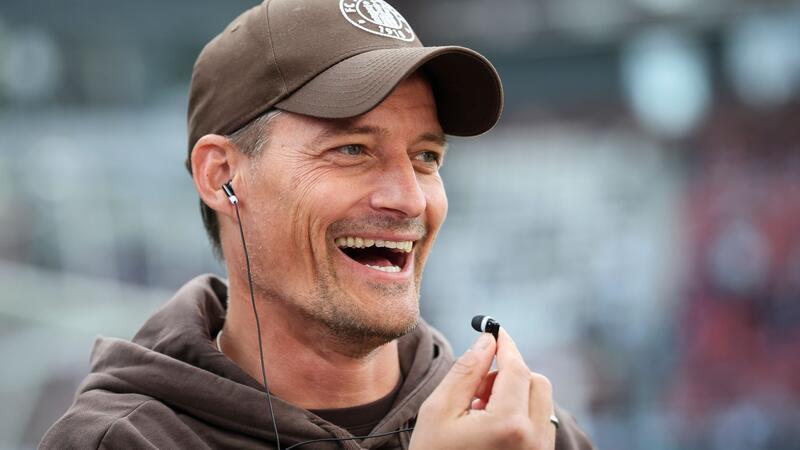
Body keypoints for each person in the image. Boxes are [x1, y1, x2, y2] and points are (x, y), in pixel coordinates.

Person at [41, 1, 595, 449]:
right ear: (222, 175)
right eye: (352, 149)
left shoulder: (520, 432)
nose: (409, 199)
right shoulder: (121, 441)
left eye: (426, 157)